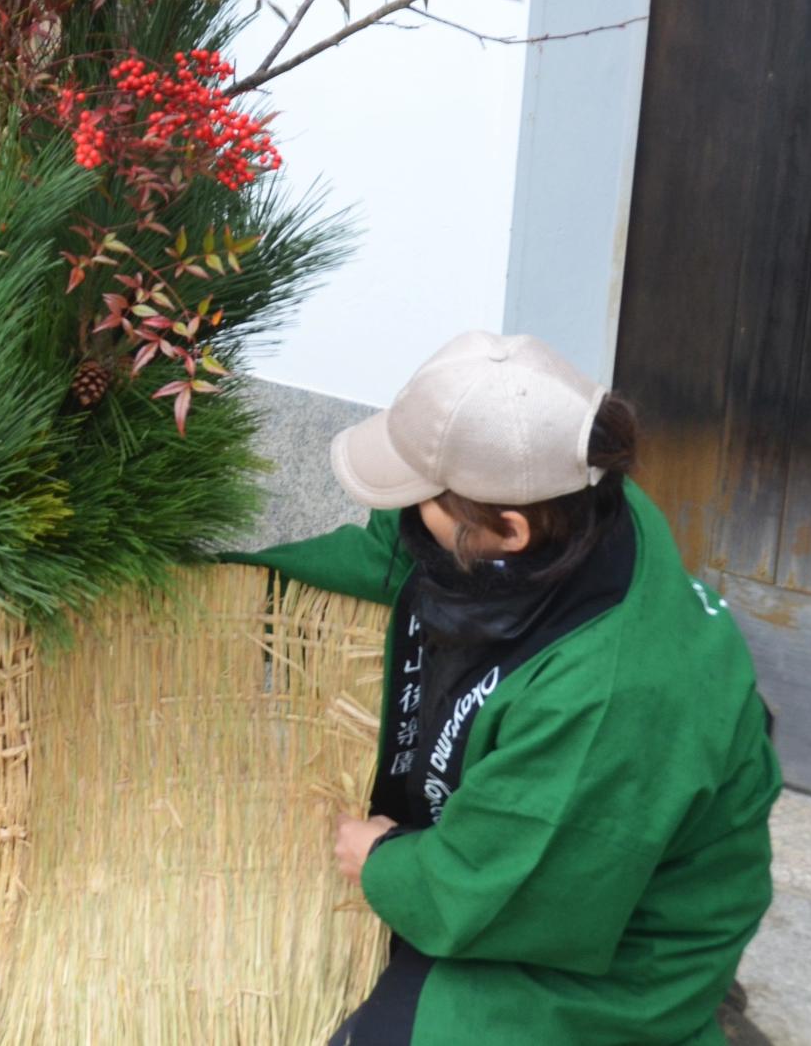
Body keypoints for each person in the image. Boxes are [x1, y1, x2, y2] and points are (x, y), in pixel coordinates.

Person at [238, 331, 779, 1045]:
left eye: (422, 500)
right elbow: (390, 558)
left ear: (509, 531)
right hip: (571, 838)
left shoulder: (604, 695)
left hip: (623, 944)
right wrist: (237, 580)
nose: (408, 516)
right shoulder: (580, 498)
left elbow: (506, 883)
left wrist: (383, 860)